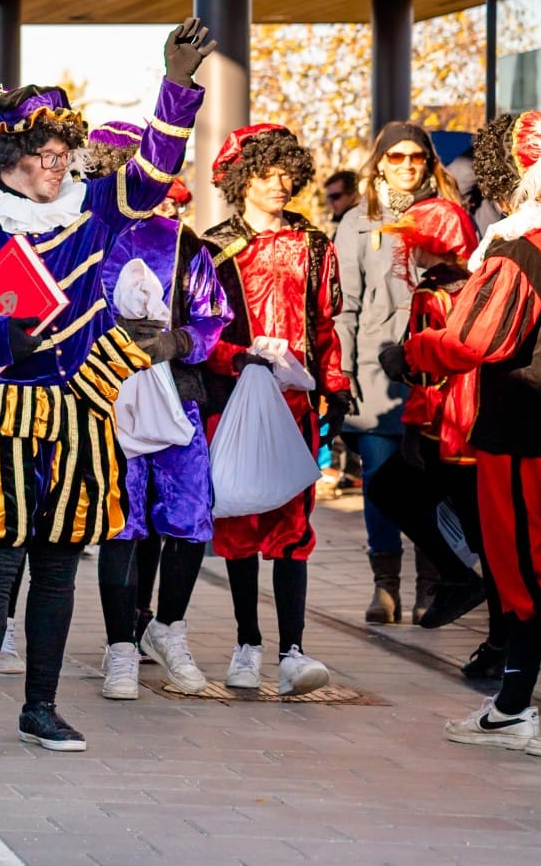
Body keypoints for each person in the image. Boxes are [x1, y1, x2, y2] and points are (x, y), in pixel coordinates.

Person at [0, 19, 213, 760]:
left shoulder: (89, 212)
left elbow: (150, 173)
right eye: (45, 156)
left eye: (62, 155)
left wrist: (176, 85)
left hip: (79, 415)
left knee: (54, 570)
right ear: (10, 158)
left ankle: (40, 710)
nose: (58, 166)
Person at [387, 109, 541, 756]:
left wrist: (413, 353)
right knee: (522, 563)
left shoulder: (521, 248)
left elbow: (473, 339)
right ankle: (514, 704)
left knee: (530, 564)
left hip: (521, 427)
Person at [82, 123, 233, 701]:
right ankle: (121, 646)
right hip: (105, 391)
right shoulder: (83, 232)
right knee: (121, 520)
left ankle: (167, 629)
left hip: (176, 395)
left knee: (192, 511)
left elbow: (212, 316)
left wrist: (174, 344)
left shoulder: (182, 241)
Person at [201, 125, 352, 696]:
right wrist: (236, 361)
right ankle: (247, 643)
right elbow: (201, 330)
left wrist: (335, 387)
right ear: (243, 178)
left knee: (293, 527)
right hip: (235, 402)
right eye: (267, 173)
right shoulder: (212, 248)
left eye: (288, 172)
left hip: (296, 405)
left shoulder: (315, 245)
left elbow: (323, 326)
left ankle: (292, 648)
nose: (281, 183)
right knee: (238, 522)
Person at [334, 123, 474, 625]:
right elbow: (344, 306)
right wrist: (343, 372)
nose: (407, 165)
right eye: (395, 156)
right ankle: (384, 584)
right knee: (379, 479)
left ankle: (432, 584)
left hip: (437, 366)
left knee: (429, 482)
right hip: (376, 368)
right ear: (380, 161)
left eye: (417, 156)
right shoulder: (356, 222)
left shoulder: (454, 214)